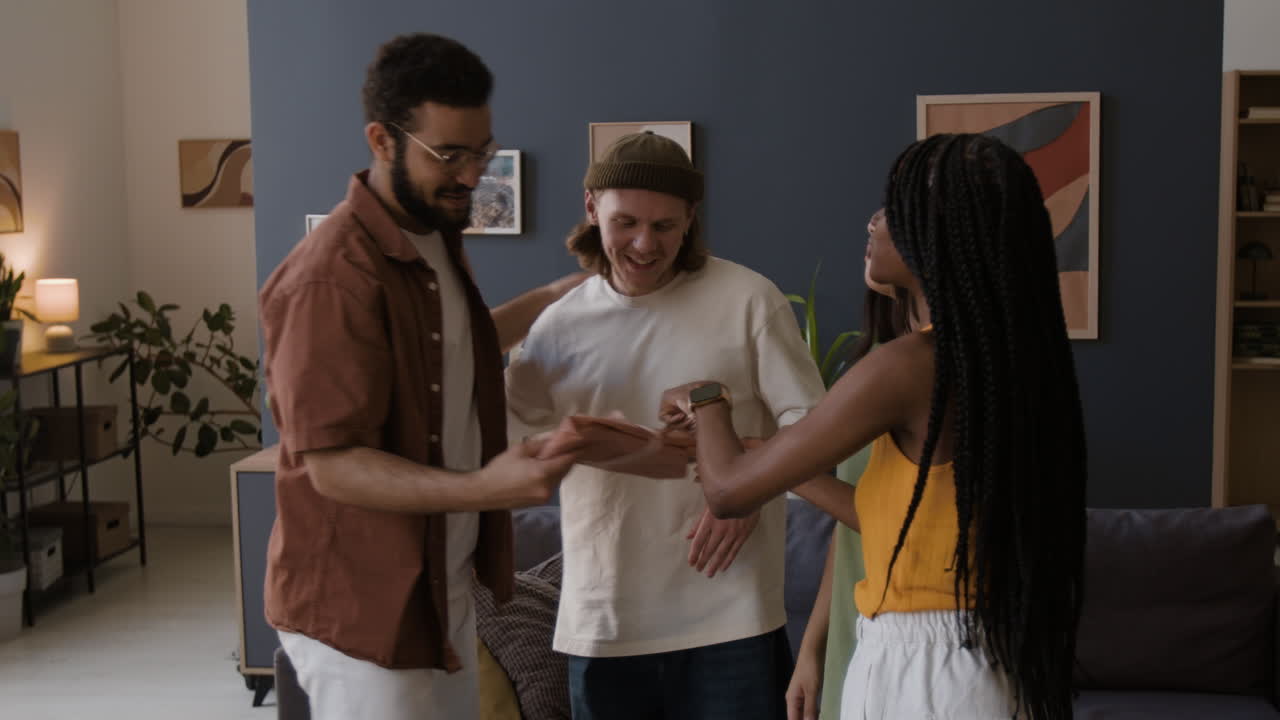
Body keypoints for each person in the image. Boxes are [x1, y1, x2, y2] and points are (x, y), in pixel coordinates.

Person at [662, 134, 1087, 720]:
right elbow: (885, 519)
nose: (873, 220)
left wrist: (706, 398)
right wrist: (771, 451)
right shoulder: (1002, 362)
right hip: (974, 654)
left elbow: (728, 492)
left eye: (893, 207)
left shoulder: (908, 366)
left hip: (928, 669)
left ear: (934, 236)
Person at [258, 33, 586, 720]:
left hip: (439, 588)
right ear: (382, 140)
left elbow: (448, 354)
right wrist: (482, 487)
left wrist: (559, 296)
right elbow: (333, 464)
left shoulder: (431, 234)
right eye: (451, 155)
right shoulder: (330, 278)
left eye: (482, 151)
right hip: (363, 611)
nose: (472, 176)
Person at [505, 131, 826, 720]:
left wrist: (748, 493)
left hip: (733, 613)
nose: (645, 244)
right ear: (590, 207)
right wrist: (590, 446)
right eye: (626, 222)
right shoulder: (558, 324)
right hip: (607, 618)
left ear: (691, 219)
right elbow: (503, 440)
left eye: (665, 226)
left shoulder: (748, 298)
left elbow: (814, 426)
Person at [786, 209, 913, 720]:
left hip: (916, 634)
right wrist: (813, 647)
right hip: (855, 624)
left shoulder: (919, 370)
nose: (872, 222)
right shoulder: (874, 362)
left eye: (894, 214)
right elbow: (850, 528)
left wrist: (740, 446)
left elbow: (886, 517)